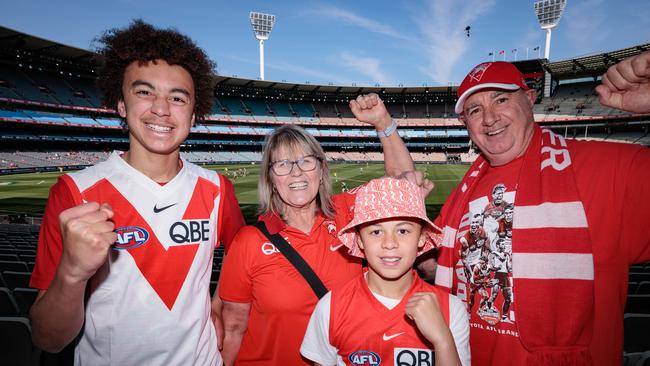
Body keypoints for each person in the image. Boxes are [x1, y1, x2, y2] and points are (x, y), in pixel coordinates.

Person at [28, 20, 245, 365]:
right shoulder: (75, 193)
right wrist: (71, 274)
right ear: (121, 104)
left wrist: (220, 303)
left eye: (178, 97)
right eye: (144, 92)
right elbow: (47, 340)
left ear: (194, 114)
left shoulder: (218, 189)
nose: (161, 108)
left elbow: (245, 263)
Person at [428, 54, 650, 365]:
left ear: (530, 99)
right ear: (465, 122)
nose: (489, 118)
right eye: (474, 110)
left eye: (501, 99)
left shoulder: (610, 168)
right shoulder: (462, 195)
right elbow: (437, 264)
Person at [218, 93, 421, 365]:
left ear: (321, 169)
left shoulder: (347, 213)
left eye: (306, 161)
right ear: (270, 177)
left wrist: (382, 123)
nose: (296, 173)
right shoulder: (249, 241)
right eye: (282, 164)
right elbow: (232, 329)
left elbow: (403, 187)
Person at [300, 177, 470, 366]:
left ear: (422, 237)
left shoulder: (450, 308)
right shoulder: (332, 306)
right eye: (376, 232)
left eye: (403, 231)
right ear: (360, 240)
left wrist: (442, 340)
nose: (390, 243)